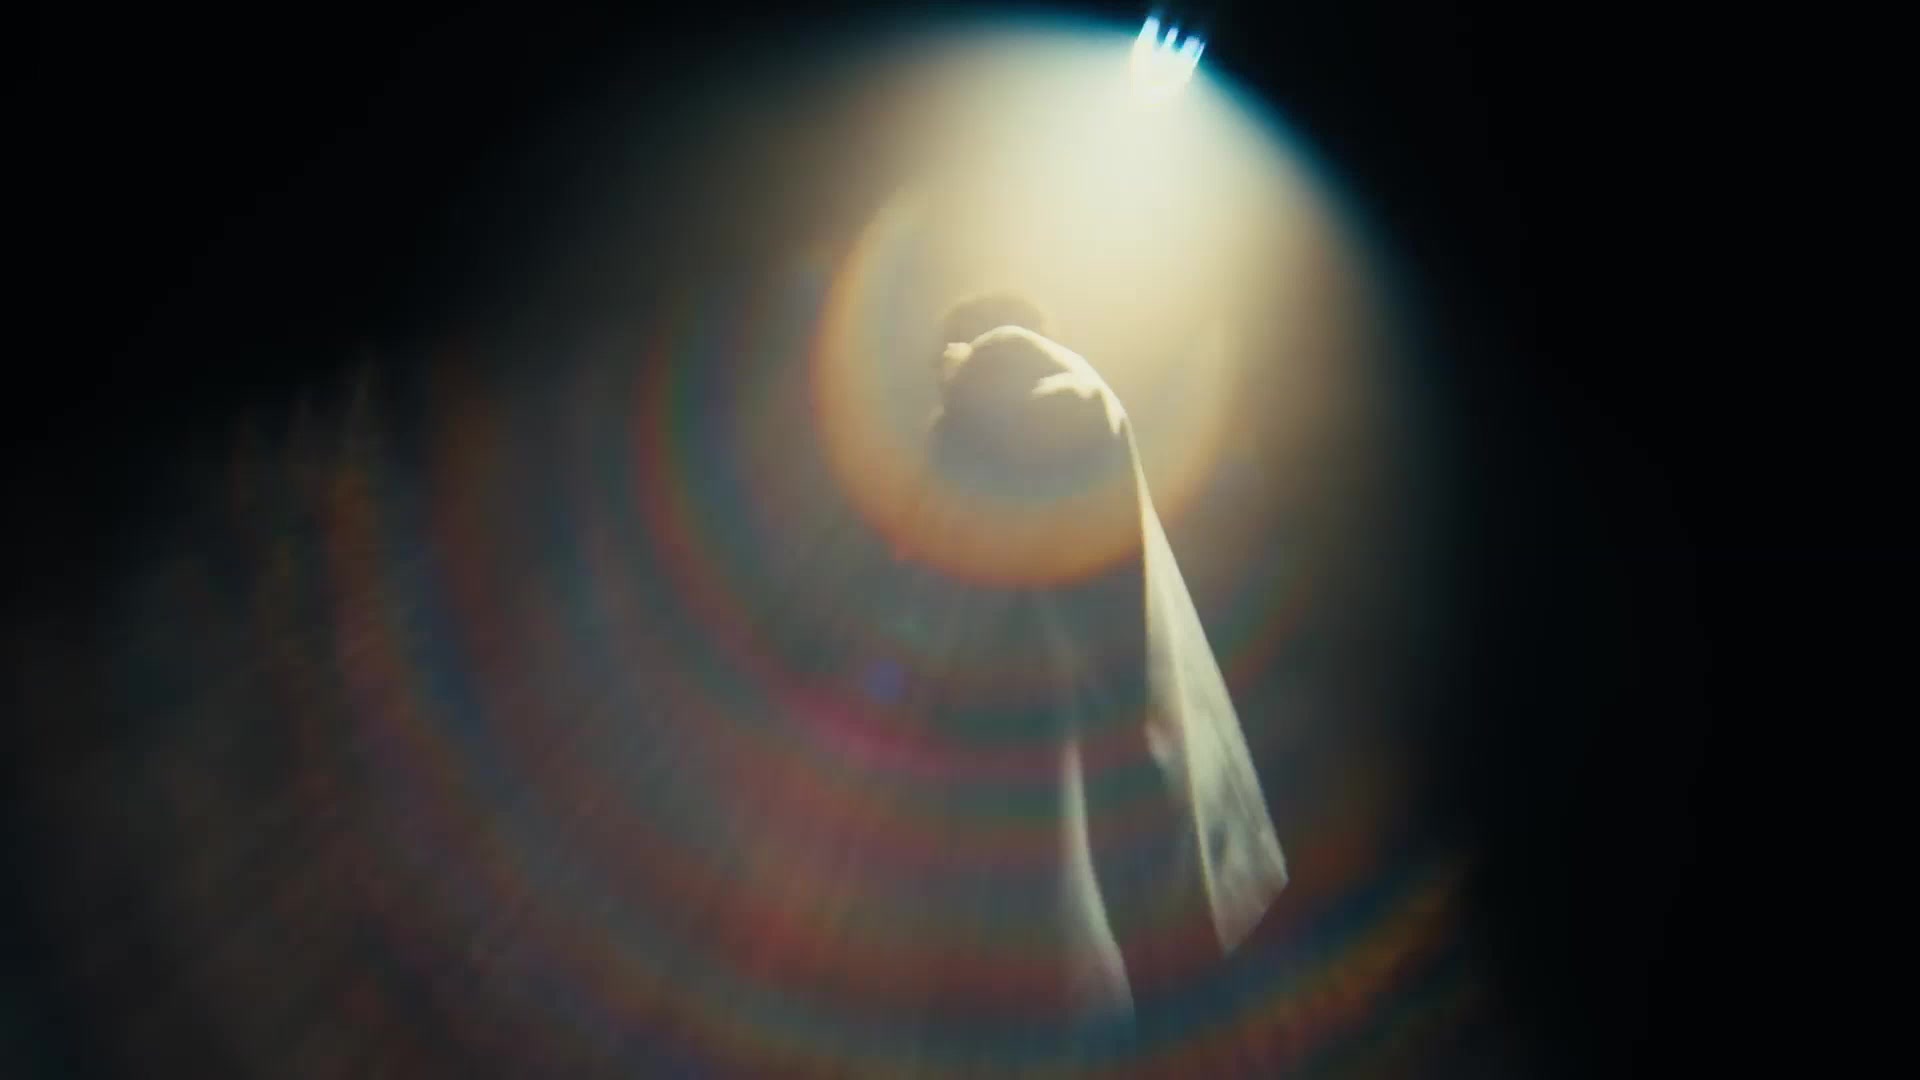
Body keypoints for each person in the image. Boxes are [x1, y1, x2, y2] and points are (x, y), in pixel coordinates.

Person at [878, 291, 1289, 1050]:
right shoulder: (1082, 408)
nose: (941, 387)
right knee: (1137, 944)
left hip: (1038, 743)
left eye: (948, 366)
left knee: (1064, 960)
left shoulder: (1024, 398)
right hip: (1097, 730)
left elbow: (957, 586)